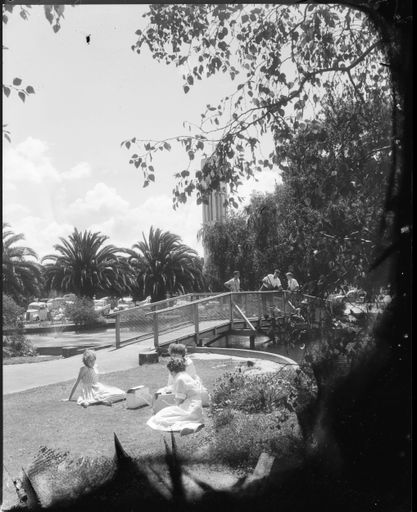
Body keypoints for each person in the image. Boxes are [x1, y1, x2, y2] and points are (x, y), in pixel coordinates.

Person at [147, 358, 204, 435]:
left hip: (190, 408)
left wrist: (170, 405)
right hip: (197, 408)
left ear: (172, 371)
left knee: (160, 416)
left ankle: (189, 427)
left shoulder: (179, 378)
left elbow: (179, 400)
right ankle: (190, 426)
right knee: (166, 413)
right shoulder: (186, 375)